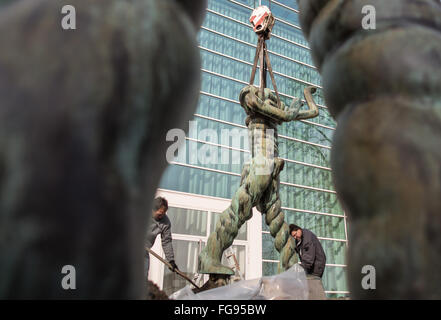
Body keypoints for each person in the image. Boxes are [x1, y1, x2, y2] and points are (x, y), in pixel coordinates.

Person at [145, 197, 178, 278]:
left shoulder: (165, 222)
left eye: (164, 214)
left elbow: (166, 242)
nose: (161, 217)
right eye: (160, 214)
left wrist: (171, 260)